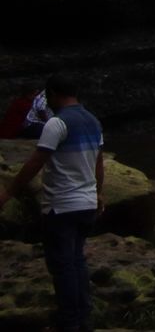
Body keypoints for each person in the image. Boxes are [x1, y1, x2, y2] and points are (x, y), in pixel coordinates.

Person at [0, 75, 104, 332]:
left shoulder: (57, 123)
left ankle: (69, 321)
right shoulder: (92, 120)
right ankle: (83, 317)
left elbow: (35, 162)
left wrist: (8, 193)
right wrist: (99, 194)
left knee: (62, 265)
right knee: (77, 260)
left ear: (54, 94)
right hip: (87, 203)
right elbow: (99, 164)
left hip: (62, 205)